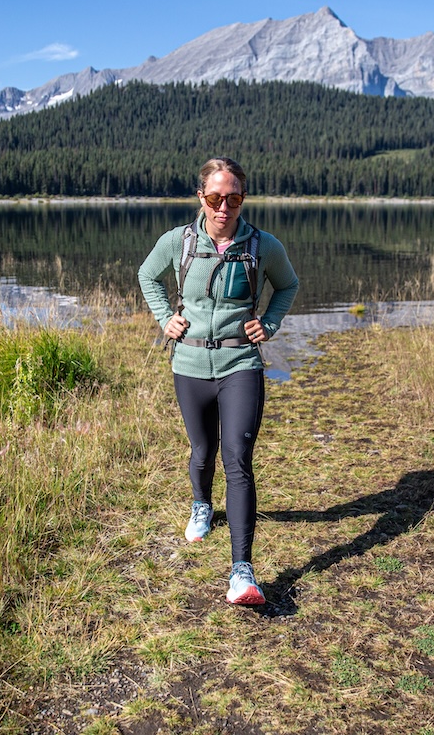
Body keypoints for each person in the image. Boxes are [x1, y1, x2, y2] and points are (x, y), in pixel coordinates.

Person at [137, 157, 299, 605]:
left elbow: (287, 286)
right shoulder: (178, 242)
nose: (223, 207)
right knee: (202, 450)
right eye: (214, 198)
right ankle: (202, 505)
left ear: (242, 199)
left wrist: (269, 323)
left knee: (238, 459)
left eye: (233, 198)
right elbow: (147, 275)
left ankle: (242, 573)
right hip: (189, 365)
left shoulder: (262, 245)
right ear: (200, 197)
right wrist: (164, 318)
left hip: (240, 363)